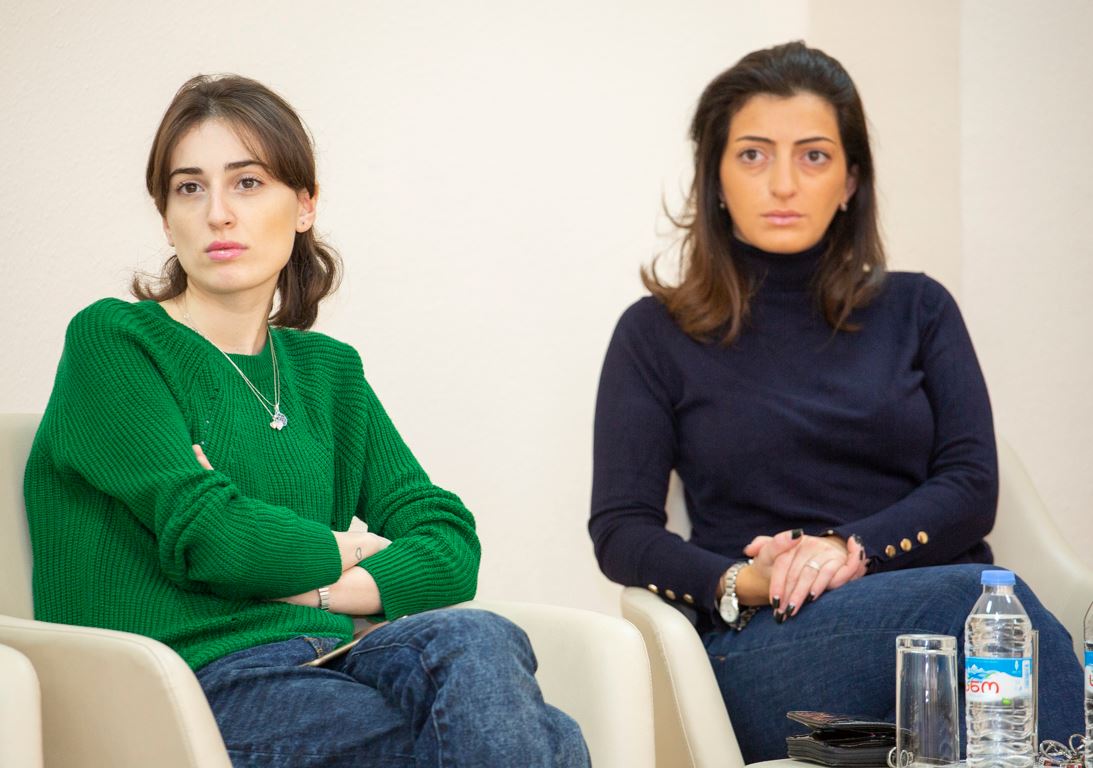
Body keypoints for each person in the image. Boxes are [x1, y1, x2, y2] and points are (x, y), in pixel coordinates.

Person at [24, 74, 589, 768]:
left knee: (480, 637)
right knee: (549, 739)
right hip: (190, 688)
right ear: (166, 218)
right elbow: (214, 538)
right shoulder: (116, 343)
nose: (218, 214)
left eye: (248, 183)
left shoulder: (328, 372)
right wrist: (350, 548)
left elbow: (449, 544)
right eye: (189, 188)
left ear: (304, 204)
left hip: (334, 658)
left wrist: (312, 584)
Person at [589, 41, 1083, 763]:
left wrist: (847, 549)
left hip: (940, 606)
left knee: (986, 619)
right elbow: (621, 530)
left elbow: (972, 485)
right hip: (770, 640)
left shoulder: (920, 309)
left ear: (850, 180)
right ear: (715, 177)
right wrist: (745, 581)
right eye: (753, 155)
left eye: (814, 156)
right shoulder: (655, 334)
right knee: (982, 608)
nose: (783, 183)